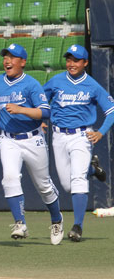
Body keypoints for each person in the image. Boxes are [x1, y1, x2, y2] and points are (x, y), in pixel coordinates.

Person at [0, 43, 64, 245]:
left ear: (23, 62)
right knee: (10, 177)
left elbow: (45, 112)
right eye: (5, 57)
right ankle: (20, 223)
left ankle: (57, 220)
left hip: (33, 138)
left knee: (43, 186)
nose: (7, 61)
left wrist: (21, 110)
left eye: (12, 57)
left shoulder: (31, 84)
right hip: (8, 139)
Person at [43, 44, 114, 242]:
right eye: (69, 59)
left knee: (77, 181)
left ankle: (77, 226)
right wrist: (40, 118)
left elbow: (111, 110)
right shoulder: (56, 80)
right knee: (67, 184)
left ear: (85, 63)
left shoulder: (92, 85)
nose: (71, 64)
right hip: (58, 136)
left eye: (76, 60)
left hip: (82, 136)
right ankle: (92, 169)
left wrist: (100, 132)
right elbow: (42, 102)